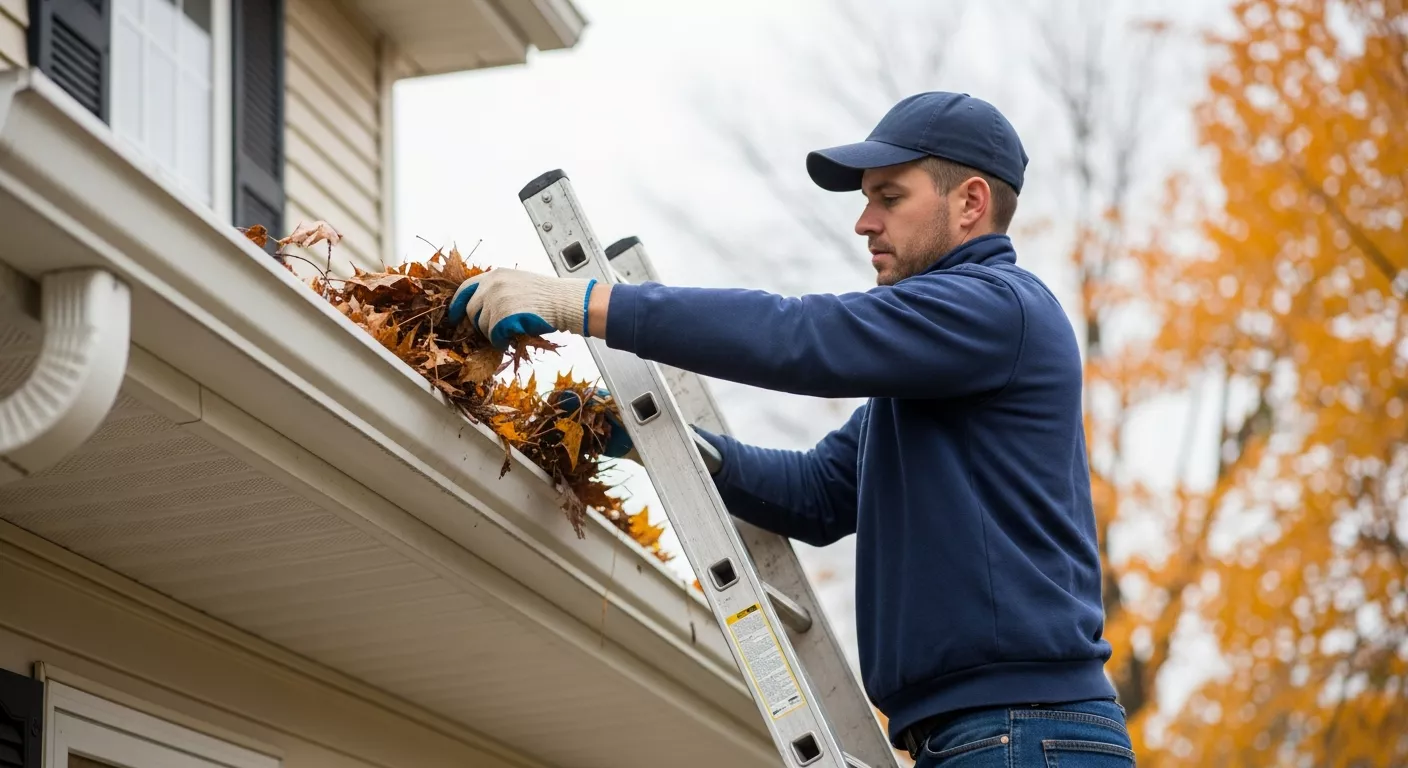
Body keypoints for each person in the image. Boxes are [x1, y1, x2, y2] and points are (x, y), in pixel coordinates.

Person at [447, 92, 1134, 767]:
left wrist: (582, 302)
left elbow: (804, 335)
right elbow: (817, 492)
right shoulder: (938, 377)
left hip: (1020, 733)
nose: (864, 222)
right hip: (989, 735)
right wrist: (671, 447)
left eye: (889, 198)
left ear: (970, 203)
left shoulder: (998, 310)